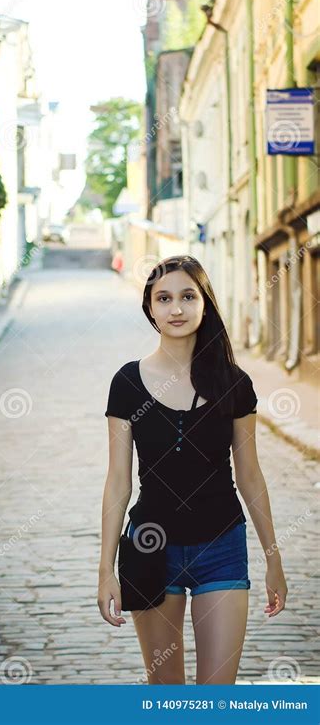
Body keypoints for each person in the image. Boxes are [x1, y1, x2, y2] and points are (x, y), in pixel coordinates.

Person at [98, 254, 288, 685]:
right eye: (164, 298)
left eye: (188, 296)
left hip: (221, 547)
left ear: (206, 303)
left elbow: (251, 477)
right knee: (168, 697)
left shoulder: (234, 384)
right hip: (151, 548)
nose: (176, 309)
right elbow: (118, 483)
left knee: (216, 699)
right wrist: (105, 569)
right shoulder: (126, 384)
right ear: (150, 307)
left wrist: (273, 559)